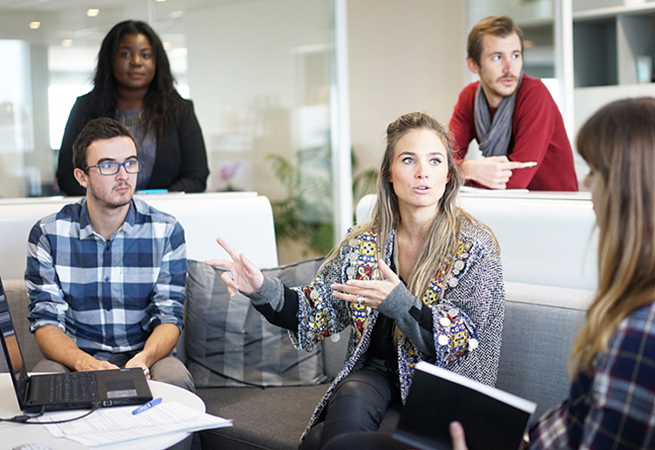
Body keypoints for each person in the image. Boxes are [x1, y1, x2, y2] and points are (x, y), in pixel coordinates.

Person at [330, 99, 655, 450]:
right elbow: (585, 420)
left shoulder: (653, 331)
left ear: (638, 192)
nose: (588, 186)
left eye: (596, 172)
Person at [206, 111, 505, 450]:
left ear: (448, 175)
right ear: (389, 174)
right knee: (348, 398)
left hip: (443, 386)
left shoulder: (475, 246)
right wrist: (262, 289)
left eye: (435, 161)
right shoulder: (364, 243)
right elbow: (315, 311)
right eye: (409, 159)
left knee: (320, 440)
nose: (423, 172)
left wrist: (400, 304)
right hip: (376, 375)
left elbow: (462, 341)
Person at [26, 117, 194, 392]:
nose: (123, 175)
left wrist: (143, 359)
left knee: (175, 380)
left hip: (145, 356)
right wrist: (84, 363)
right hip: (75, 357)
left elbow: (169, 316)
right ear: (82, 177)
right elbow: (46, 322)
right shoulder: (48, 233)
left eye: (130, 163)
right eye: (107, 165)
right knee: (41, 382)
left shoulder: (166, 231)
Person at [56, 20, 209, 196]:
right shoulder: (86, 108)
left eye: (145, 55)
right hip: (102, 218)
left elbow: (196, 176)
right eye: (125, 54)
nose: (136, 62)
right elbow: (68, 177)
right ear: (110, 59)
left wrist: (151, 202)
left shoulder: (180, 110)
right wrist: (114, 201)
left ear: (157, 62)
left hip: (165, 215)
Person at [449, 16, 577, 191]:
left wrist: (459, 172)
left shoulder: (535, 95)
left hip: (554, 208)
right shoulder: (469, 98)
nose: (509, 68)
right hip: (507, 206)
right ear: (473, 65)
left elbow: (515, 181)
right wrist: (468, 169)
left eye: (515, 55)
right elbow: (442, 162)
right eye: (497, 57)